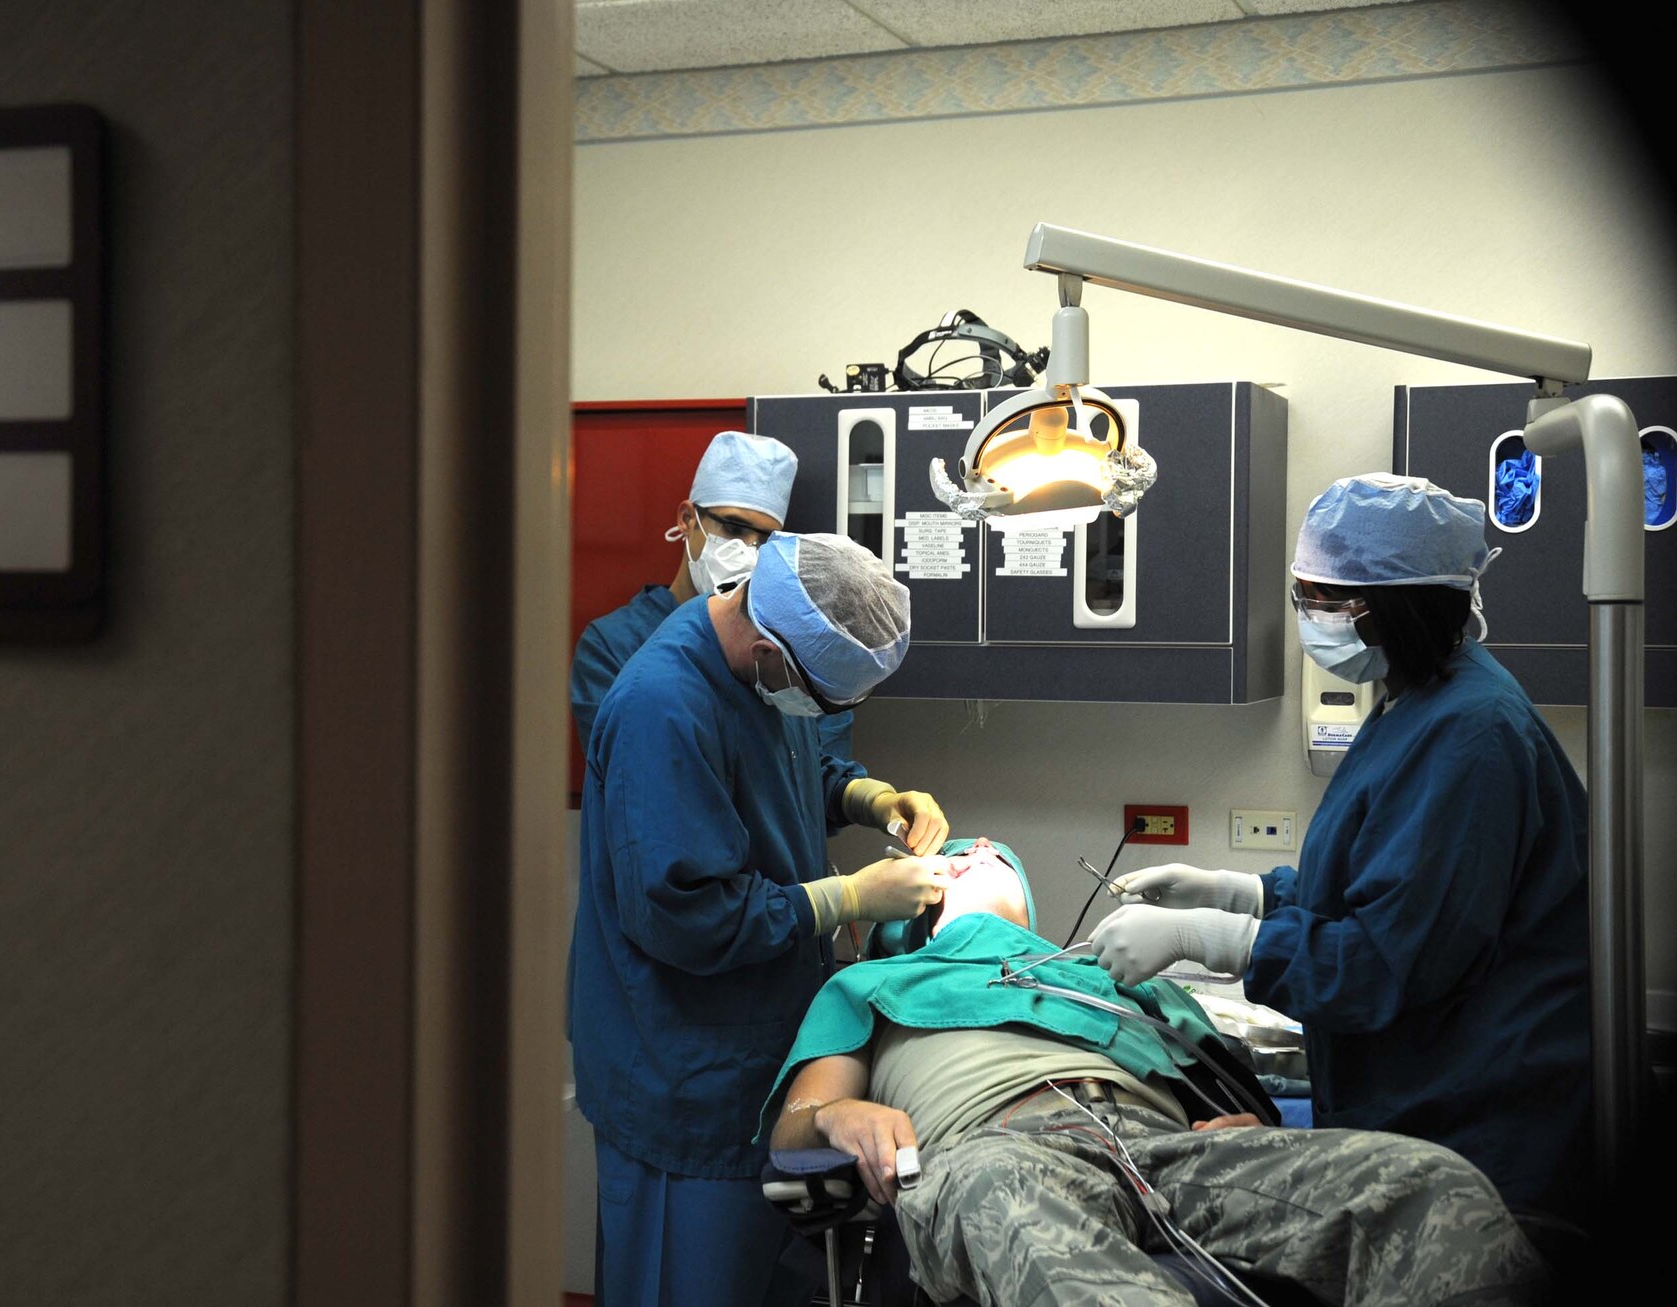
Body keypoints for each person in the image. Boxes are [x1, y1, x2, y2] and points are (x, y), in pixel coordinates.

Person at [1088, 474, 1591, 1223]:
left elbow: (1392, 960)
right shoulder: (1420, 697)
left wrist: (1215, 938)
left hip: (1483, 1147)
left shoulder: (1472, 735)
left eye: (1320, 598)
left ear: (1390, 606)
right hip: (1420, 1102)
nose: (1306, 616)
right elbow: (1378, 879)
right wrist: (1242, 893)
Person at [765, 847, 1547, 1307]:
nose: (975, 853)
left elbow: (1229, 1088)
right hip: (994, 1152)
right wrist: (839, 1118)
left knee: (1431, 1186)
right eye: (957, 855)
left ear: (1028, 905)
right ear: (917, 916)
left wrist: (1252, 1128)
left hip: (1170, 1147)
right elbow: (800, 1119)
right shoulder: (874, 985)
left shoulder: (1114, 973)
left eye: (992, 852)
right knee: (1011, 1205)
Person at [571, 531, 952, 1307]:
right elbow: (686, 916)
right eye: (825, 697)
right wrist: (847, 897)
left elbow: (802, 763)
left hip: (755, 1049)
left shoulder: (765, 667)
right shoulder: (660, 707)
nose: (823, 713)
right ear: (774, 652)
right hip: (682, 1072)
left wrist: (871, 797)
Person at [570, 430, 857, 762]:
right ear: (687, 519)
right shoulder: (611, 646)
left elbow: (824, 769)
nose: (748, 551)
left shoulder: (786, 647)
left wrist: (861, 795)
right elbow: (629, 769)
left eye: (764, 540)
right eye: (733, 529)